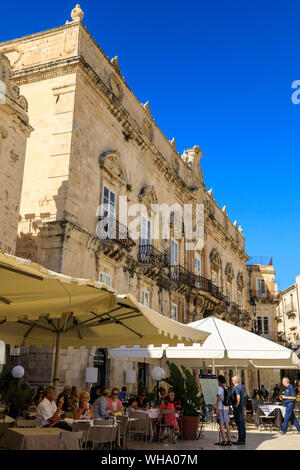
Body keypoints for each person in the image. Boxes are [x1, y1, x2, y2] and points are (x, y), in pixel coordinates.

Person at [215, 375, 232, 446]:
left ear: (219, 381)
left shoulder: (220, 388)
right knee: (227, 424)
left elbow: (219, 399)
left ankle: (224, 440)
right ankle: (229, 440)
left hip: (221, 408)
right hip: (226, 407)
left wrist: (216, 408)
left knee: (221, 424)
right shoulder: (227, 387)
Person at [232, 375, 246, 445]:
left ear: (234, 381)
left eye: (232, 380)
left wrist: (237, 404)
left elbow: (238, 396)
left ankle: (240, 440)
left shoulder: (236, 387)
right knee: (242, 424)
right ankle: (243, 439)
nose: (232, 382)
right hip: (241, 407)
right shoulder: (241, 387)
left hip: (238, 408)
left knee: (239, 424)